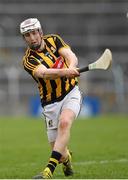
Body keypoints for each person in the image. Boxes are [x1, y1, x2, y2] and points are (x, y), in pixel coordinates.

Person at [20, 18, 82, 179]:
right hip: (50, 103)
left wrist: (71, 66)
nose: (32, 38)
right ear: (24, 38)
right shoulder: (28, 60)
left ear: (40, 32)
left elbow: (70, 55)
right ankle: (66, 159)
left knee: (65, 122)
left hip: (71, 92)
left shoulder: (54, 40)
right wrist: (66, 72)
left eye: (34, 33)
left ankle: (48, 171)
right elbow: (44, 74)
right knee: (60, 153)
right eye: (27, 35)